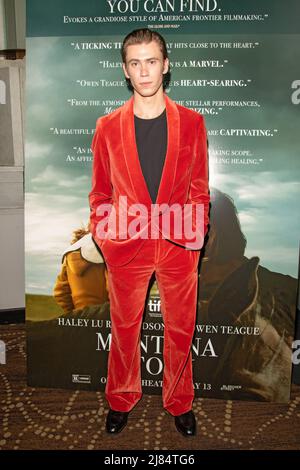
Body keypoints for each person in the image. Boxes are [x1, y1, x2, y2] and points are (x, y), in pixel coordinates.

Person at [89, 28, 210, 437]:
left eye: (152, 61)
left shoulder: (193, 123)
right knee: (124, 329)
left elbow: (199, 190)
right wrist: (106, 236)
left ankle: (179, 402)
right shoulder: (107, 127)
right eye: (135, 63)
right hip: (127, 245)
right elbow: (100, 193)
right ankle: (121, 398)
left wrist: (194, 238)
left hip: (179, 247)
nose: (144, 71)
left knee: (180, 329)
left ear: (166, 65)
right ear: (125, 70)